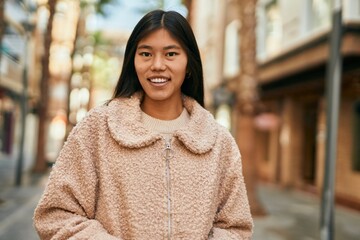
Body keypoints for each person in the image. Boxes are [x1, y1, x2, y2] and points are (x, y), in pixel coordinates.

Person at [34, 9, 253, 240]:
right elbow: (56, 215)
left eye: (171, 54)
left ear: (188, 63)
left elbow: (236, 228)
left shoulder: (218, 141)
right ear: (133, 61)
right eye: (146, 54)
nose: (157, 65)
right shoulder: (97, 129)